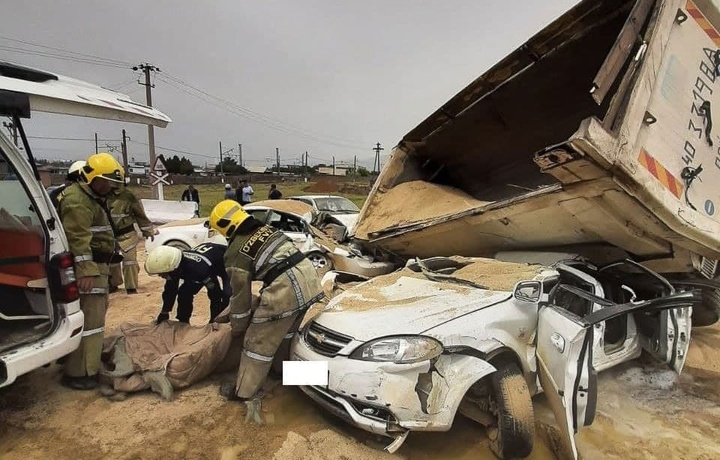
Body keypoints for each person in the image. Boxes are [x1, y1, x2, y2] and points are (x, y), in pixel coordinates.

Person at [208, 200, 323, 423]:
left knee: (256, 343)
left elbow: (239, 296)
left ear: (224, 227)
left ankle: (244, 392)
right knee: (285, 336)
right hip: (308, 278)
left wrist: (239, 327)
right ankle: (296, 375)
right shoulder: (265, 229)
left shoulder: (235, 252)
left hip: (285, 288)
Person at [57, 152, 124, 390]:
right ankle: (82, 372)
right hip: (91, 269)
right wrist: (85, 271)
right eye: (105, 181)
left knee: (95, 315)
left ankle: (81, 363)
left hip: (98, 266)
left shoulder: (89, 197)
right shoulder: (78, 201)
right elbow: (78, 238)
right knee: (92, 320)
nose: (109, 186)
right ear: (92, 177)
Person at [144, 242, 231, 324]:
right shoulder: (175, 265)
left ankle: (223, 324)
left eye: (162, 274)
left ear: (174, 269)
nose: (160, 276)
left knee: (228, 295)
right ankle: (183, 322)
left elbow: (215, 295)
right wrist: (165, 311)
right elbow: (170, 290)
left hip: (227, 263)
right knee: (184, 293)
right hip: (206, 262)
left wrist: (214, 321)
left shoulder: (199, 270)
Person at [108, 183, 158, 294]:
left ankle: (131, 287)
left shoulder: (128, 196)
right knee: (111, 261)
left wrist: (147, 231)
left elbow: (140, 215)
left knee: (129, 261)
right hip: (108, 236)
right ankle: (113, 284)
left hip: (127, 235)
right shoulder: (100, 195)